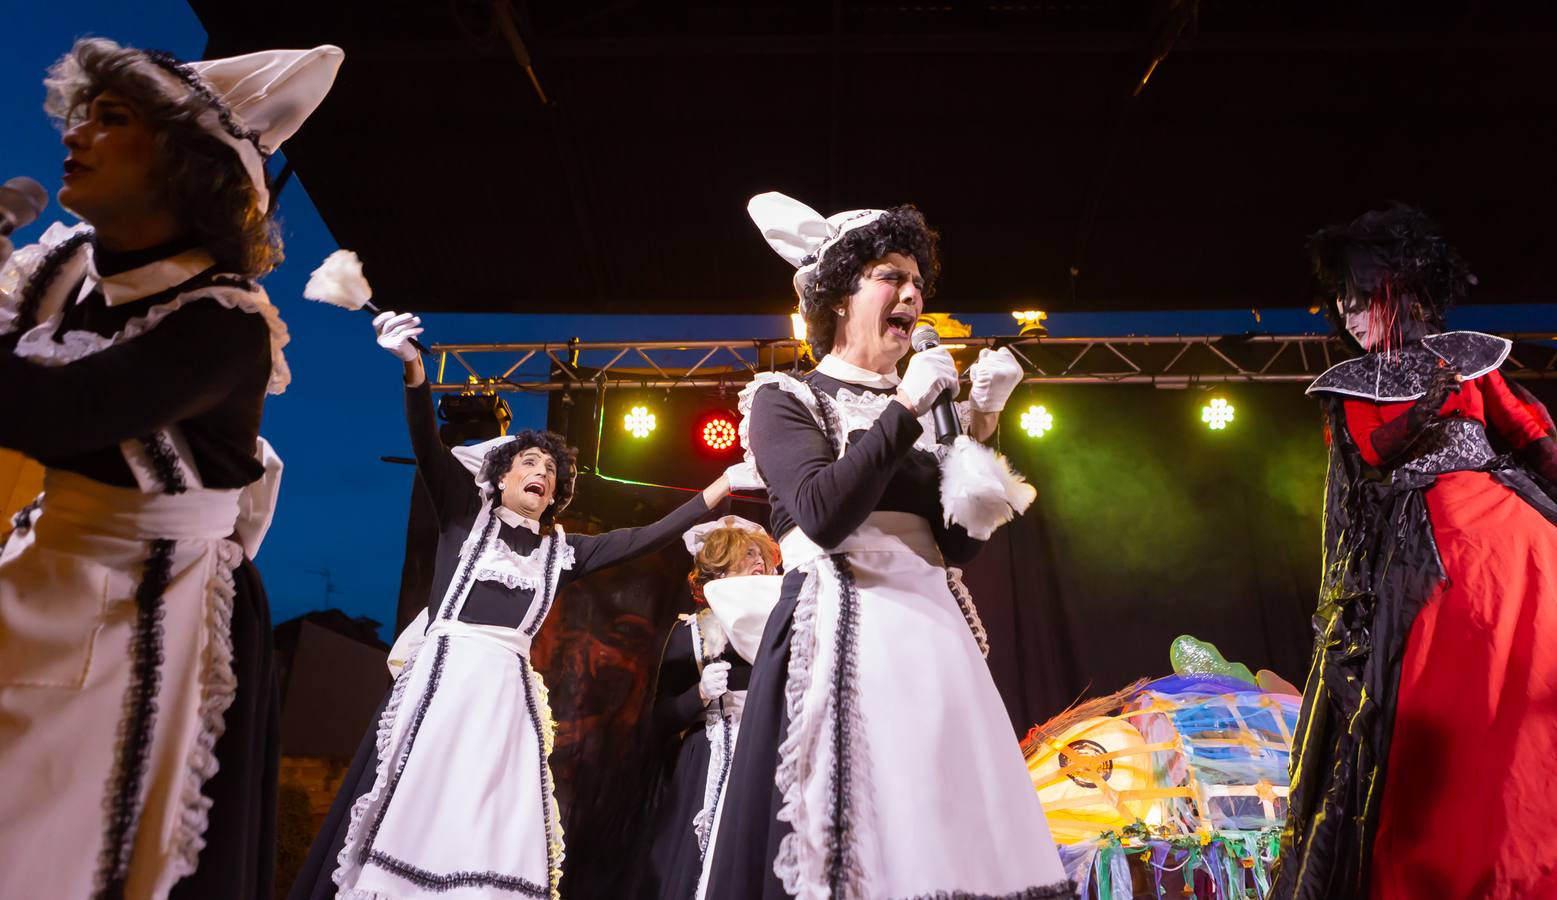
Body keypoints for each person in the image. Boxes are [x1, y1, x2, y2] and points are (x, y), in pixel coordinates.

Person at [0, 38, 341, 899]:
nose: (78, 134)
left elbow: (58, 413)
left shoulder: (224, 323)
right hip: (41, 578)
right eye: (85, 113)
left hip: (155, 610)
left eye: (113, 120)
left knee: (91, 845)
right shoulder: (64, 269)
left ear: (187, 168)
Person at [294, 309, 742, 900]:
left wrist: (720, 487)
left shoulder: (564, 551)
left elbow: (643, 538)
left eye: (551, 469)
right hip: (444, 684)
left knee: (489, 816)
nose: (541, 471)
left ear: (557, 493)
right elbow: (427, 444)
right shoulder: (463, 518)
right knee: (412, 804)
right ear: (500, 477)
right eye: (529, 462)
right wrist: (412, 368)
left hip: (505, 697)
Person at [704, 192, 1071, 899]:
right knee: (857, 822)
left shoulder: (928, 411)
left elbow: (958, 546)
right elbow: (821, 514)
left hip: (931, 635)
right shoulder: (787, 398)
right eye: (890, 276)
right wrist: (904, 410)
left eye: (918, 283)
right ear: (840, 295)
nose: (912, 294)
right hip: (842, 627)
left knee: (943, 823)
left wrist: (981, 428)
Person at [1273, 205, 1557, 899]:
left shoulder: (1466, 358)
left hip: (1503, 515)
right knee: (1455, 669)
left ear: (1394, 296)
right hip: (1426, 537)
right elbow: (1377, 448)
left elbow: (1524, 425)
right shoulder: (1351, 385)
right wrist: (1427, 405)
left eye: (1359, 303)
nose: (1348, 317)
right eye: (1341, 308)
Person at [648, 516, 782, 899]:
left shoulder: (792, 625)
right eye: (746, 555)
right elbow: (658, 719)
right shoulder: (689, 634)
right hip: (707, 761)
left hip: (771, 750)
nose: (759, 561)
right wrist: (699, 695)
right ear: (720, 572)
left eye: (762, 554)